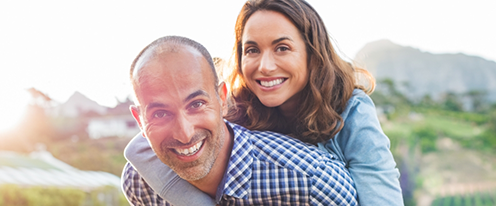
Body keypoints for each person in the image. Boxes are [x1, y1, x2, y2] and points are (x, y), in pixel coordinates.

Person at [126, 0, 403, 205]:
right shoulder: (236, 104)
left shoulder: (351, 109)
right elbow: (140, 147)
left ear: (312, 52)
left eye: (282, 48)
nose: (265, 66)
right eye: (252, 50)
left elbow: (381, 192)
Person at [121, 35, 358, 205]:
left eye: (197, 104)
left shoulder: (312, 184)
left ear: (222, 100)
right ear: (139, 121)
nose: (184, 133)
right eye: (160, 114)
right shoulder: (140, 184)